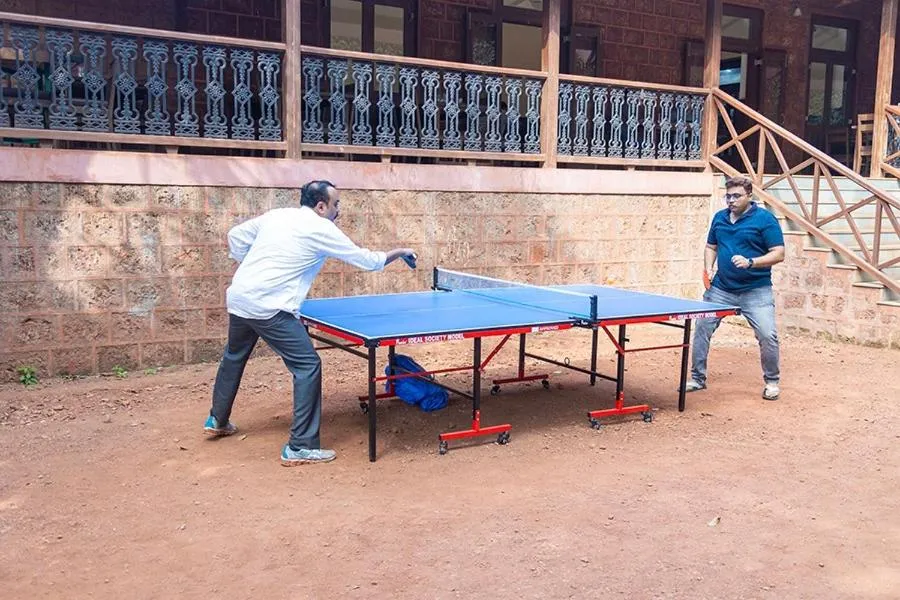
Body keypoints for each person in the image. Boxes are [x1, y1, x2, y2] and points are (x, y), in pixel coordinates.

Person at [203, 180, 416, 466]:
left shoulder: (277, 215)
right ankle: (301, 446)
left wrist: (251, 266)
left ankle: (217, 418)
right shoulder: (321, 228)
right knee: (307, 366)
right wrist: (400, 252)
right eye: (336, 204)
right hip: (270, 306)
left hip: (241, 297)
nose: (338, 210)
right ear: (321, 206)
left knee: (234, 356)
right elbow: (367, 261)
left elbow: (236, 235)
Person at [686, 175, 785, 401]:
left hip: (756, 290)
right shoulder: (719, 218)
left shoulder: (765, 220)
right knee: (702, 328)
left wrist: (752, 262)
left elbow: (779, 254)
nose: (731, 200)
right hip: (721, 289)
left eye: (736, 196)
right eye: (728, 196)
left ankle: (772, 381)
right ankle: (697, 378)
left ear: (750, 196)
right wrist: (708, 268)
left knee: (767, 335)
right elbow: (711, 246)